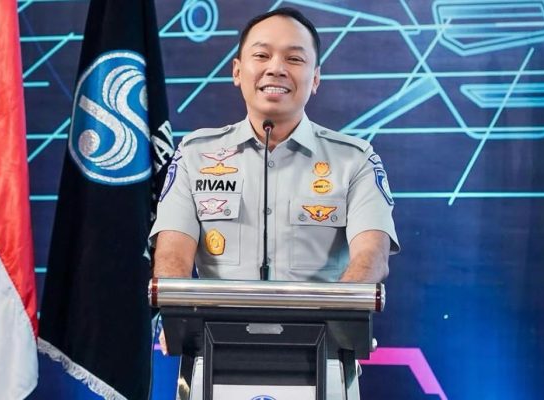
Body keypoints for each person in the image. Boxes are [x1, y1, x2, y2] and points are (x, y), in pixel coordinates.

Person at [149, 6, 400, 399]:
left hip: (323, 363)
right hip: (214, 361)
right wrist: (177, 312)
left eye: (294, 59)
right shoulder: (195, 155)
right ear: (237, 71)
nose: (276, 68)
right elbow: (171, 256)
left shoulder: (355, 159)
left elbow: (372, 257)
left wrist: (337, 321)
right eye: (262, 55)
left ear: (315, 78)